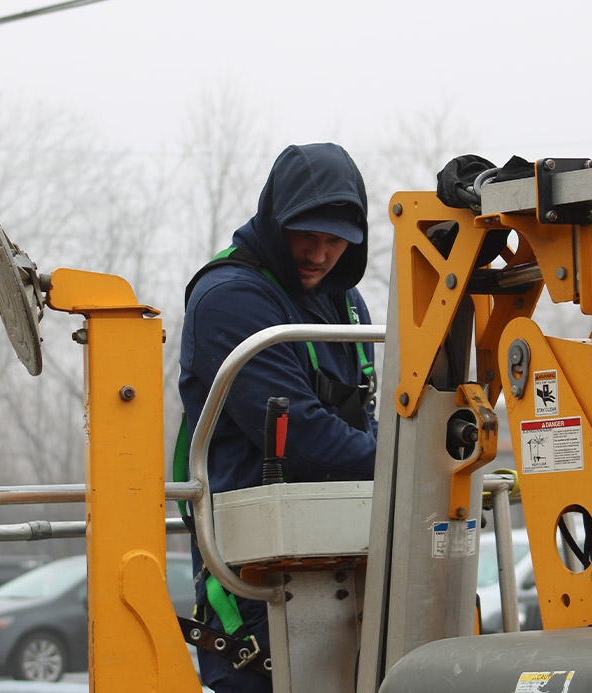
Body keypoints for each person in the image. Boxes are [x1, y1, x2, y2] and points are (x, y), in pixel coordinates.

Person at [179, 143, 378, 692]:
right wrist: (412, 467)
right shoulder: (230, 299)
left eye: (335, 240)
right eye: (305, 236)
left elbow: (367, 417)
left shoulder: (346, 303)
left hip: (347, 558)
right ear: (273, 219)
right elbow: (301, 435)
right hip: (257, 575)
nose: (319, 254)